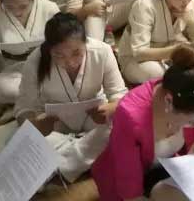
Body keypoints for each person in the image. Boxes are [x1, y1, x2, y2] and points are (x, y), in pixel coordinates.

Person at [92, 44, 194, 201]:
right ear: (168, 101)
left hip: (168, 168)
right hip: (127, 183)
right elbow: (130, 190)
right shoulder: (130, 116)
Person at [14, 13, 127, 182]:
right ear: (49, 50)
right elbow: (23, 106)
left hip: (93, 119)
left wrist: (110, 109)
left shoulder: (102, 51)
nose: (70, 62)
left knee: (119, 127)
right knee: (22, 140)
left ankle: (60, 163)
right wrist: (37, 123)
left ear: (85, 42)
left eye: (76, 53)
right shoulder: (35, 60)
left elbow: (120, 94)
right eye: (59, 55)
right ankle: (80, 157)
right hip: (55, 125)